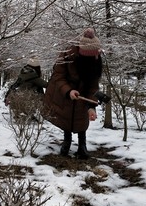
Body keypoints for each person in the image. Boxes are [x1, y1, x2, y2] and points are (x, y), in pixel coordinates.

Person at [43, 28, 103, 159]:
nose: (90, 59)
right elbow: (58, 76)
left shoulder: (96, 60)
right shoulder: (67, 55)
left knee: (82, 116)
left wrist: (92, 106)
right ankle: (67, 140)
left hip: (83, 92)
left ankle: (82, 145)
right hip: (66, 91)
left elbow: (93, 85)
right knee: (67, 115)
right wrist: (68, 91)